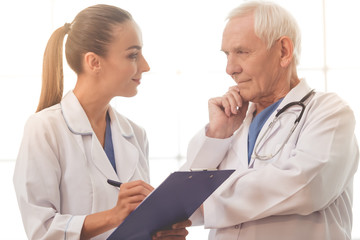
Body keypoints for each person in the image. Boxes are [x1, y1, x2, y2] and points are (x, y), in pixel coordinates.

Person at [181, 1, 359, 239]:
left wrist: (205, 203)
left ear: (284, 51)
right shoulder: (229, 123)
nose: (230, 68)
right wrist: (216, 135)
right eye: (226, 54)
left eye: (242, 52)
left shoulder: (328, 112)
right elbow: (181, 194)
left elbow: (307, 186)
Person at [13, 4, 190, 240]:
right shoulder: (44, 129)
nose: (145, 66)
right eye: (133, 55)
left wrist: (158, 234)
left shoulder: (136, 134)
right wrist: (114, 215)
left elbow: (132, 227)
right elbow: (41, 230)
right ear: (94, 62)